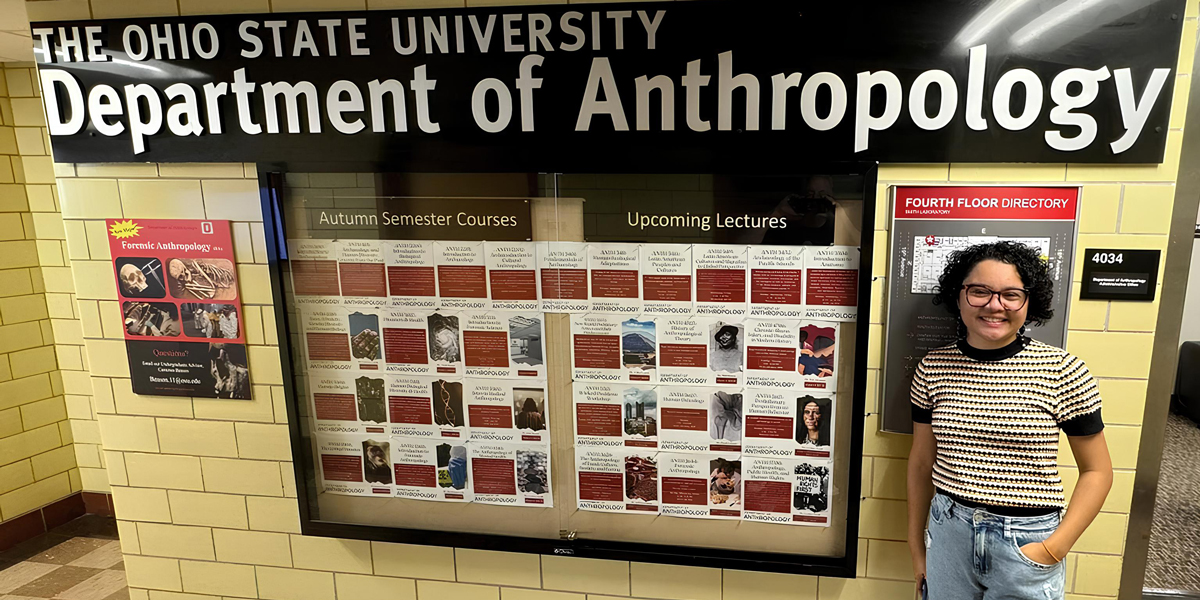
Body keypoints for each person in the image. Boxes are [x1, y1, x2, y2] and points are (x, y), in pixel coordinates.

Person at [907, 242, 1112, 600]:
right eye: (979, 291)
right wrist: (916, 545)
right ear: (959, 296)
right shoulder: (932, 367)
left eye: (1011, 294)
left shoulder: (1063, 370)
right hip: (948, 530)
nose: (994, 305)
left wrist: (1053, 549)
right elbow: (922, 462)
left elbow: (1098, 472)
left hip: (1027, 540)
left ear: (1029, 302)